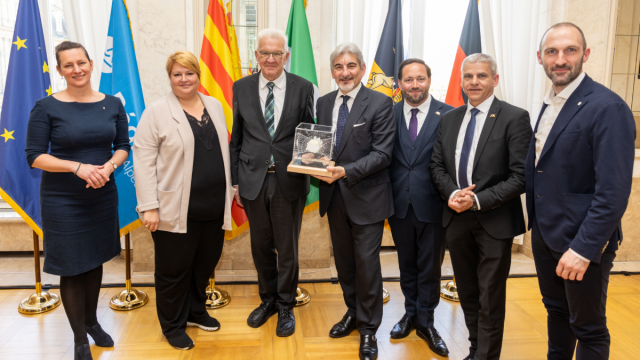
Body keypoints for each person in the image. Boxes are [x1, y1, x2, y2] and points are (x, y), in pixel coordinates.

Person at [526, 23, 635, 360]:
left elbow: (613, 192)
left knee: (588, 328)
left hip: (581, 245)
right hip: (547, 236)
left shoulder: (607, 107)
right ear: (540, 58)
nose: (561, 59)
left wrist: (584, 249)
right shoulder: (551, 102)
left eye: (570, 50)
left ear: (585, 54)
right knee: (557, 314)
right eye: (552, 52)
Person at [25, 41, 130, 360]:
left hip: (101, 194)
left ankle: (92, 322)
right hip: (63, 199)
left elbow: (124, 145)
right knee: (71, 267)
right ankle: (79, 339)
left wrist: (109, 167)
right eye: (68, 65)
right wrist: (78, 167)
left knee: (94, 260)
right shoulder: (46, 107)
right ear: (59, 71)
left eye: (81, 62)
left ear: (91, 63)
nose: (77, 69)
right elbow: (34, 156)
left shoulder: (112, 104)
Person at [429, 53, 532, 360]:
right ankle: (476, 350)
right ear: (461, 81)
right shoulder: (448, 119)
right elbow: (437, 166)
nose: (474, 82)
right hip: (456, 219)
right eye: (469, 76)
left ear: (495, 80)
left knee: (490, 297)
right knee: (468, 292)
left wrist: (476, 199)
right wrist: (452, 195)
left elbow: (520, 176)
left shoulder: (514, 117)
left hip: (494, 221)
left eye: (482, 76)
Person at [133, 51, 236, 350]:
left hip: (215, 207)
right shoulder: (156, 111)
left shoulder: (214, 105)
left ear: (198, 75)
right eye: (177, 74)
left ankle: (195, 310)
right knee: (173, 270)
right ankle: (172, 325)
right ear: (170, 78)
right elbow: (143, 161)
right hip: (174, 210)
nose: (184, 79)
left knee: (203, 265)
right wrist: (149, 205)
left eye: (189, 73)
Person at [229, 28, 315, 337]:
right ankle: (267, 300)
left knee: (287, 248)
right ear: (256, 55)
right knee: (260, 246)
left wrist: (313, 163)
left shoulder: (303, 88)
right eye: (265, 52)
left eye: (277, 53)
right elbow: (236, 138)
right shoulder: (241, 87)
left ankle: (286, 305)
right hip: (252, 181)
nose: (270, 58)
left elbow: (311, 134)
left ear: (286, 57)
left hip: (288, 181)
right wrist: (235, 183)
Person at [315, 43, 395, 360]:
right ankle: (353, 311)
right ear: (332, 71)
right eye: (338, 66)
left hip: (367, 199)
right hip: (334, 198)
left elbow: (383, 154)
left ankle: (368, 329)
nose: (344, 72)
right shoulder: (322, 103)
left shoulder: (379, 103)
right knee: (346, 265)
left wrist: (344, 171)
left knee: (366, 266)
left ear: (361, 69)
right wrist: (311, 163)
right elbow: (318, 146)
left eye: (350, 66)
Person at [387, 58, 453, 357]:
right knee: (407, 266)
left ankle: (426, 322)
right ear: (400, 83)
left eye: (420, 79)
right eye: (408, 80)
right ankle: (410, 314)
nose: (415, 85)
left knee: (430, 268)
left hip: (434, 206)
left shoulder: (449, 115)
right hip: (399, 206)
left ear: (429, 80)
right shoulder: (388, 114)